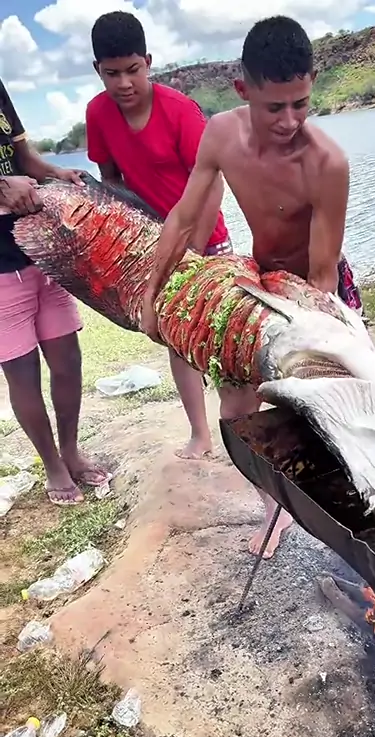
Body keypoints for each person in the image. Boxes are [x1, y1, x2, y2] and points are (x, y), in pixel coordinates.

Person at [141, 15, 362, 558]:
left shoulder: (327, 163)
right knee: (236, 411)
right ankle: (274, 508)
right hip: (260, 284)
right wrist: (150, 299)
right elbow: (183, 219)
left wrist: (303, 350)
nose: (290, 121)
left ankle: (356, 507)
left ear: (313, 83)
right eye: (274, 107)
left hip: (316, 296)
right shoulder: (220, 134)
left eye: (301, 104)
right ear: (243, 90)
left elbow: (321, 276)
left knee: (333, 411)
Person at [86, 10, 232, 460]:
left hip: (207, 240)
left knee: (223, 333)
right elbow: (110, 182)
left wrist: (195, 251)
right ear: (98, 70)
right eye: (112, 73)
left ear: (148, 62)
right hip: (153, 244)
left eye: (133, 70)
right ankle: (200, 435)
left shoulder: (180, 110)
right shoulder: (97, 113)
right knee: (175, 336)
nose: (124, 83)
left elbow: (213, 182)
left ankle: (240, 429)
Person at [0, 80, 107, 505]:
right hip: (0, 270)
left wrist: (56, 173)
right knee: (22, 372)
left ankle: (71, 451)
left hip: (43, 252)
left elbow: (23, 156)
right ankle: (52, 465)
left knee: (67, 360)